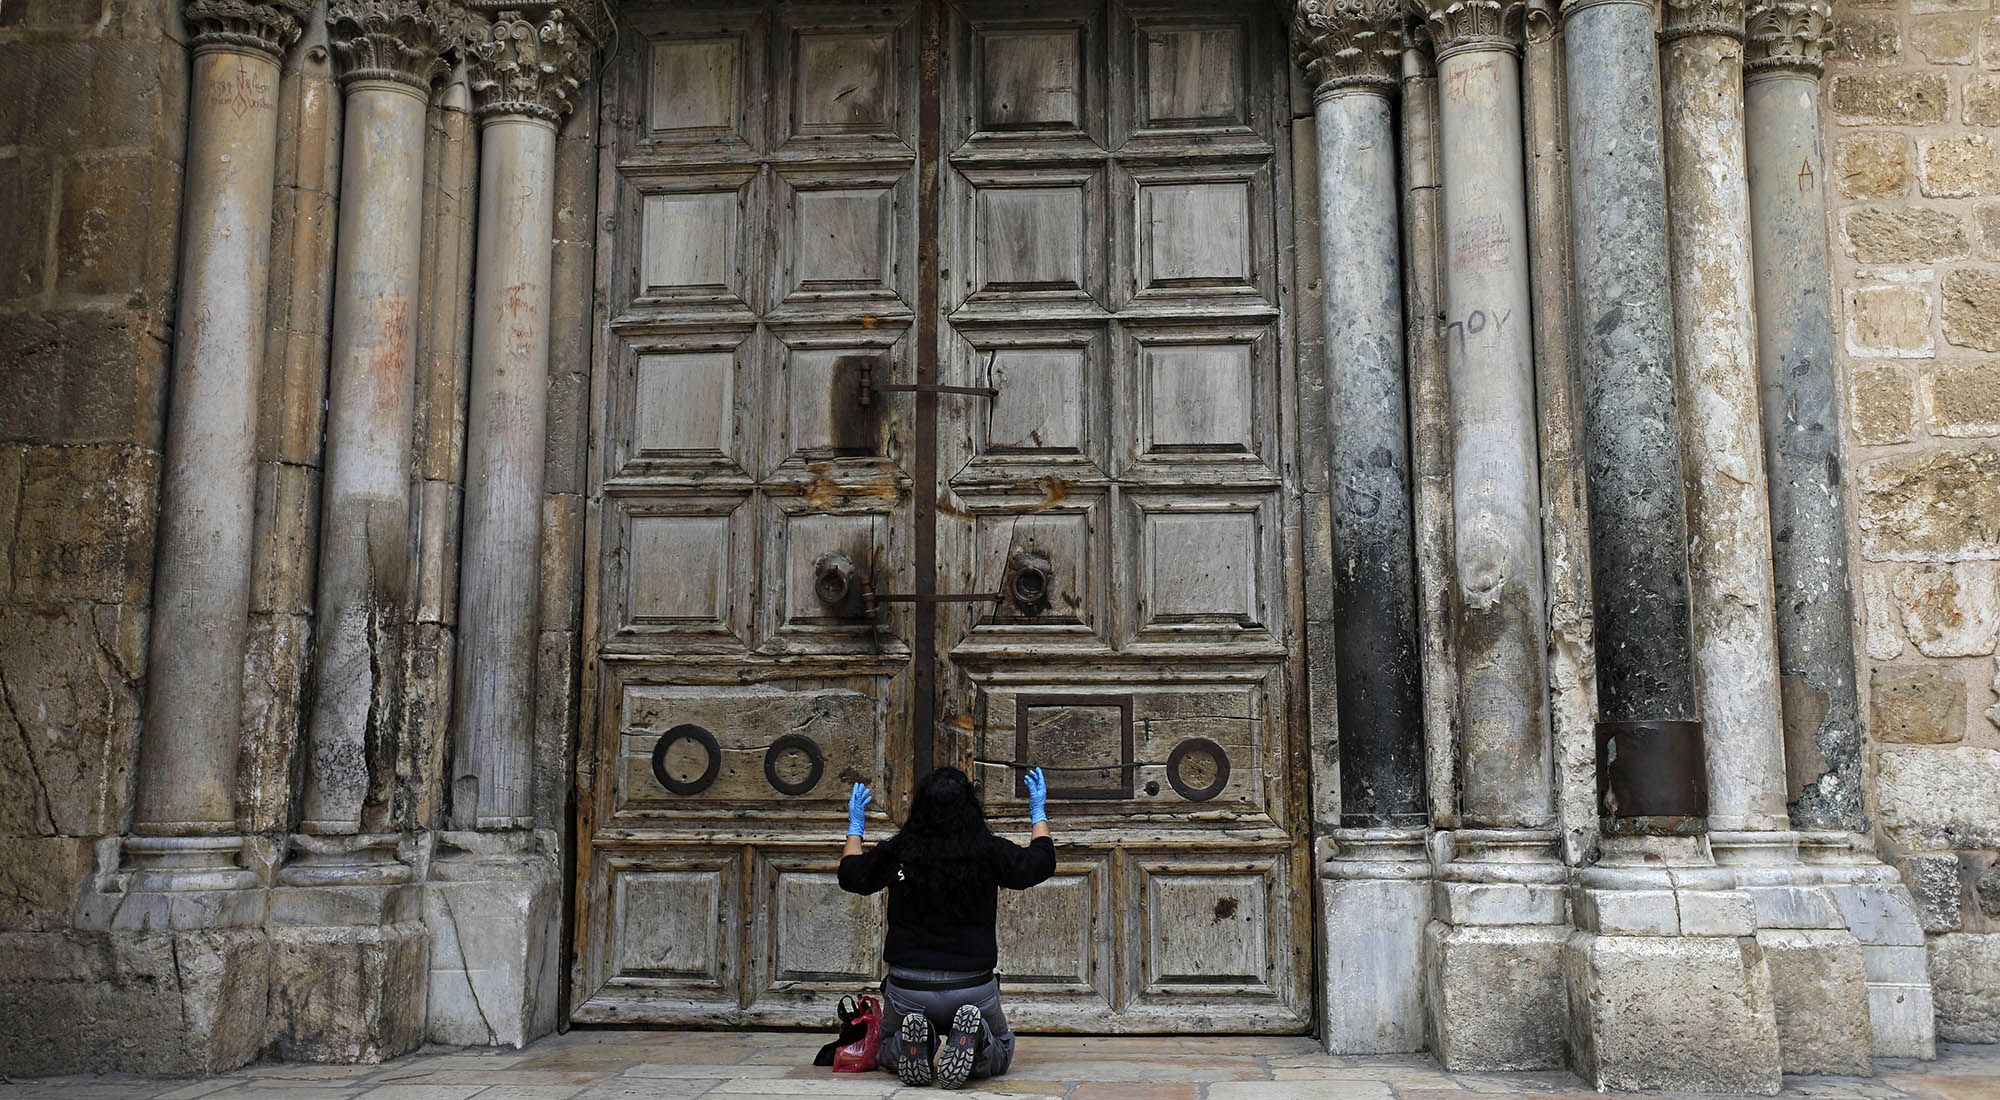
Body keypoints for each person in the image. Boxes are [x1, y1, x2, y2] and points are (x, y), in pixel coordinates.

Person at [837, 765, 1053, 1090]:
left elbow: (851, 875)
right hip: (973, 987)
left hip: (908, 988)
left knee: (885, 1049)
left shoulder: (898, 853)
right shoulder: (988, 852)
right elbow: (1040, 863)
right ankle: (977, 1037)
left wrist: (856, 827)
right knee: (1003, 1049)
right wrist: (1038, 814)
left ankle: (917, 1043)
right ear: (971, 807)